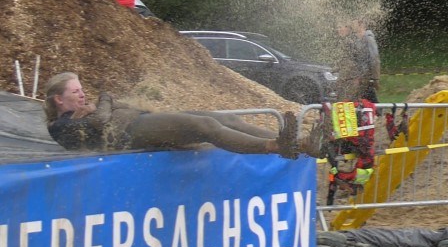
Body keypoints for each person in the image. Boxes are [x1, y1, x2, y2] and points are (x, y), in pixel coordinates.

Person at [42, 72, 299, 157]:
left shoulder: (79, 114)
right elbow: (99, 122)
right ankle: (274, 145)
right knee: (205, 125)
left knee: (226, 119)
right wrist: (105, 99)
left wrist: (101, 105)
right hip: (129, 132)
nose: (82, 95)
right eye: (76, 92)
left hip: (136, 121)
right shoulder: (59, 126)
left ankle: (297, 142)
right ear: (59, 99)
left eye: (82, 90)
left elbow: (99, 117)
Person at [336, 18, 381, 103]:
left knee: (361, 98)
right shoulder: (355, 39)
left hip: (365, 76)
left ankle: (379, 113)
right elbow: (352, 58)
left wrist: (376, 78)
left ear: (361, 24)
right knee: (364, 98)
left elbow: (375, 58)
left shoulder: (368, 38)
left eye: (354, 22)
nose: (352, 24)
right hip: (358, 75)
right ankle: (377, 113)